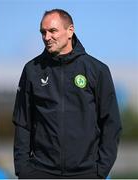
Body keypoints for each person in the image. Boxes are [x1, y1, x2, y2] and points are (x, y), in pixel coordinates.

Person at [12, 9, 122, 179]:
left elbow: (111, 122)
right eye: (43, 32)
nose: (46, 37)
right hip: (40, 172)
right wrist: (23, 170)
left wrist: (100, 170)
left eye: (52, 31)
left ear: (70, 31)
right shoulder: (32, 70)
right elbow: (22, 123)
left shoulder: (97, 70)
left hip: (86, 173)